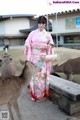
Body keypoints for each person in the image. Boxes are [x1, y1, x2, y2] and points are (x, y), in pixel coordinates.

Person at [24, 16, 54, 102]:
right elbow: (27, 41)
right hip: (34, 58)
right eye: (40, 23)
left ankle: (40, 95)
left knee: (41, 77)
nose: (41, 25)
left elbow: (51, 43)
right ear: (37, 23)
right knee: (34, 76)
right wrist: (27, 45)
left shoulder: (48, 35)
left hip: (43, 59)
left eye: (43, 23)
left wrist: (50, 46)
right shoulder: (32, 33)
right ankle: (34, 95)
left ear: (45, 24)